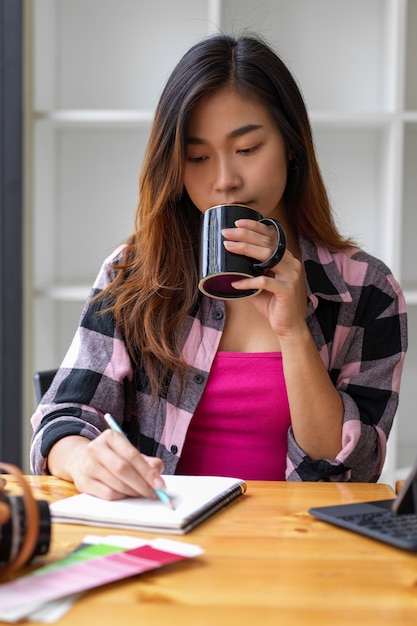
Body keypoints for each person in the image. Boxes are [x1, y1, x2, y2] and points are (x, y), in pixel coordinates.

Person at [30, 34, 408, 500]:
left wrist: (294, 334)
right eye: (198, 158)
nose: (225, 180)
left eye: (247, 149)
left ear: (291, 145)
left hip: (305, 554)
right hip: (168, 542)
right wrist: (84, 458)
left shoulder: (366, 288)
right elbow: (62, 417)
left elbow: (354, 470)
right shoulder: (134, 273)